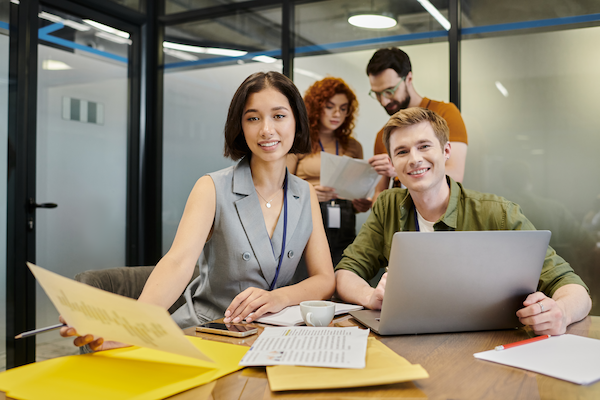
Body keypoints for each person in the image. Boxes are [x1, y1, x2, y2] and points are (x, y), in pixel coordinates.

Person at [61, 71, 336, 351]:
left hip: (271, 333)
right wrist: (133, 323)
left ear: (296, 121)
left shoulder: (305, 194)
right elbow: (178, 262)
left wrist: (280, 298)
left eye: (278, 116)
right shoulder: (212, 187)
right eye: (253, 118)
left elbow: (325, 278)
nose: (266, 129)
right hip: (208, 330)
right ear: (240, 126)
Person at [335, 107, 591, 336]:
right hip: (409, 340)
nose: (414, 159)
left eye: (424, 146)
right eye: (402, 151)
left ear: (446, 151)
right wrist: (371, 296)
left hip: (488, 344)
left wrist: (561, 313)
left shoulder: (498, 213)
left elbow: (572, 286)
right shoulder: (387, 205)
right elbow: (346, 272)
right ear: (392, 163)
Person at [366, 47, 468, 203]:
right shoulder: (384, 135)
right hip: (400, 221)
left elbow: (455, 175)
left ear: (408, 78)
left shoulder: (446, 113)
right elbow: (380, 193)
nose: (384, 101)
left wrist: (399, 170)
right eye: (377, 94)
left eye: (389, 91)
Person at [287, 77, 371, 265]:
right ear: (316, 107)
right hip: (307, 218)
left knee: (343, 274)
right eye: (330, 106)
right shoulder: (298, 141)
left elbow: (356, 190)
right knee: (308, 278)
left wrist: (361, 203)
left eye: (343, 108)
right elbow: (280, 188)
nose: (337, 114)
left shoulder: (353, 146)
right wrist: (308, 193)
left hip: (344, 219)